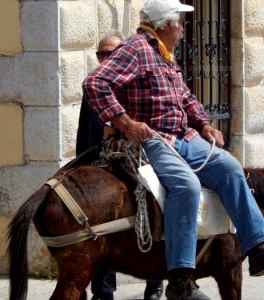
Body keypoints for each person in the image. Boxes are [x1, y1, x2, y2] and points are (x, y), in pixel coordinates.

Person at [82, 1, 264, 299]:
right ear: (166, 24)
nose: (183, 29)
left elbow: (184, 95)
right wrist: (125, 122)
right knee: (186, 186)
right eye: (181, 23)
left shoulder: (164, 51)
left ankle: (260, 247)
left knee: (230, 168)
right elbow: (95, 82)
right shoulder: (135, 49)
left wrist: (204, 123)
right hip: (154, 139)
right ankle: (181, 279)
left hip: (185, 137)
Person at [76, 32, 163, 300]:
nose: (105, 59)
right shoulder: (93, 89)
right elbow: (84, 132)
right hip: (102, 165)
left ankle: (157, 281)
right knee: (99, 228)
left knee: (155, 214)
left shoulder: (135, 87)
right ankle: (103, 292)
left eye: (111, 54)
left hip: (136, 162)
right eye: (101, 54)